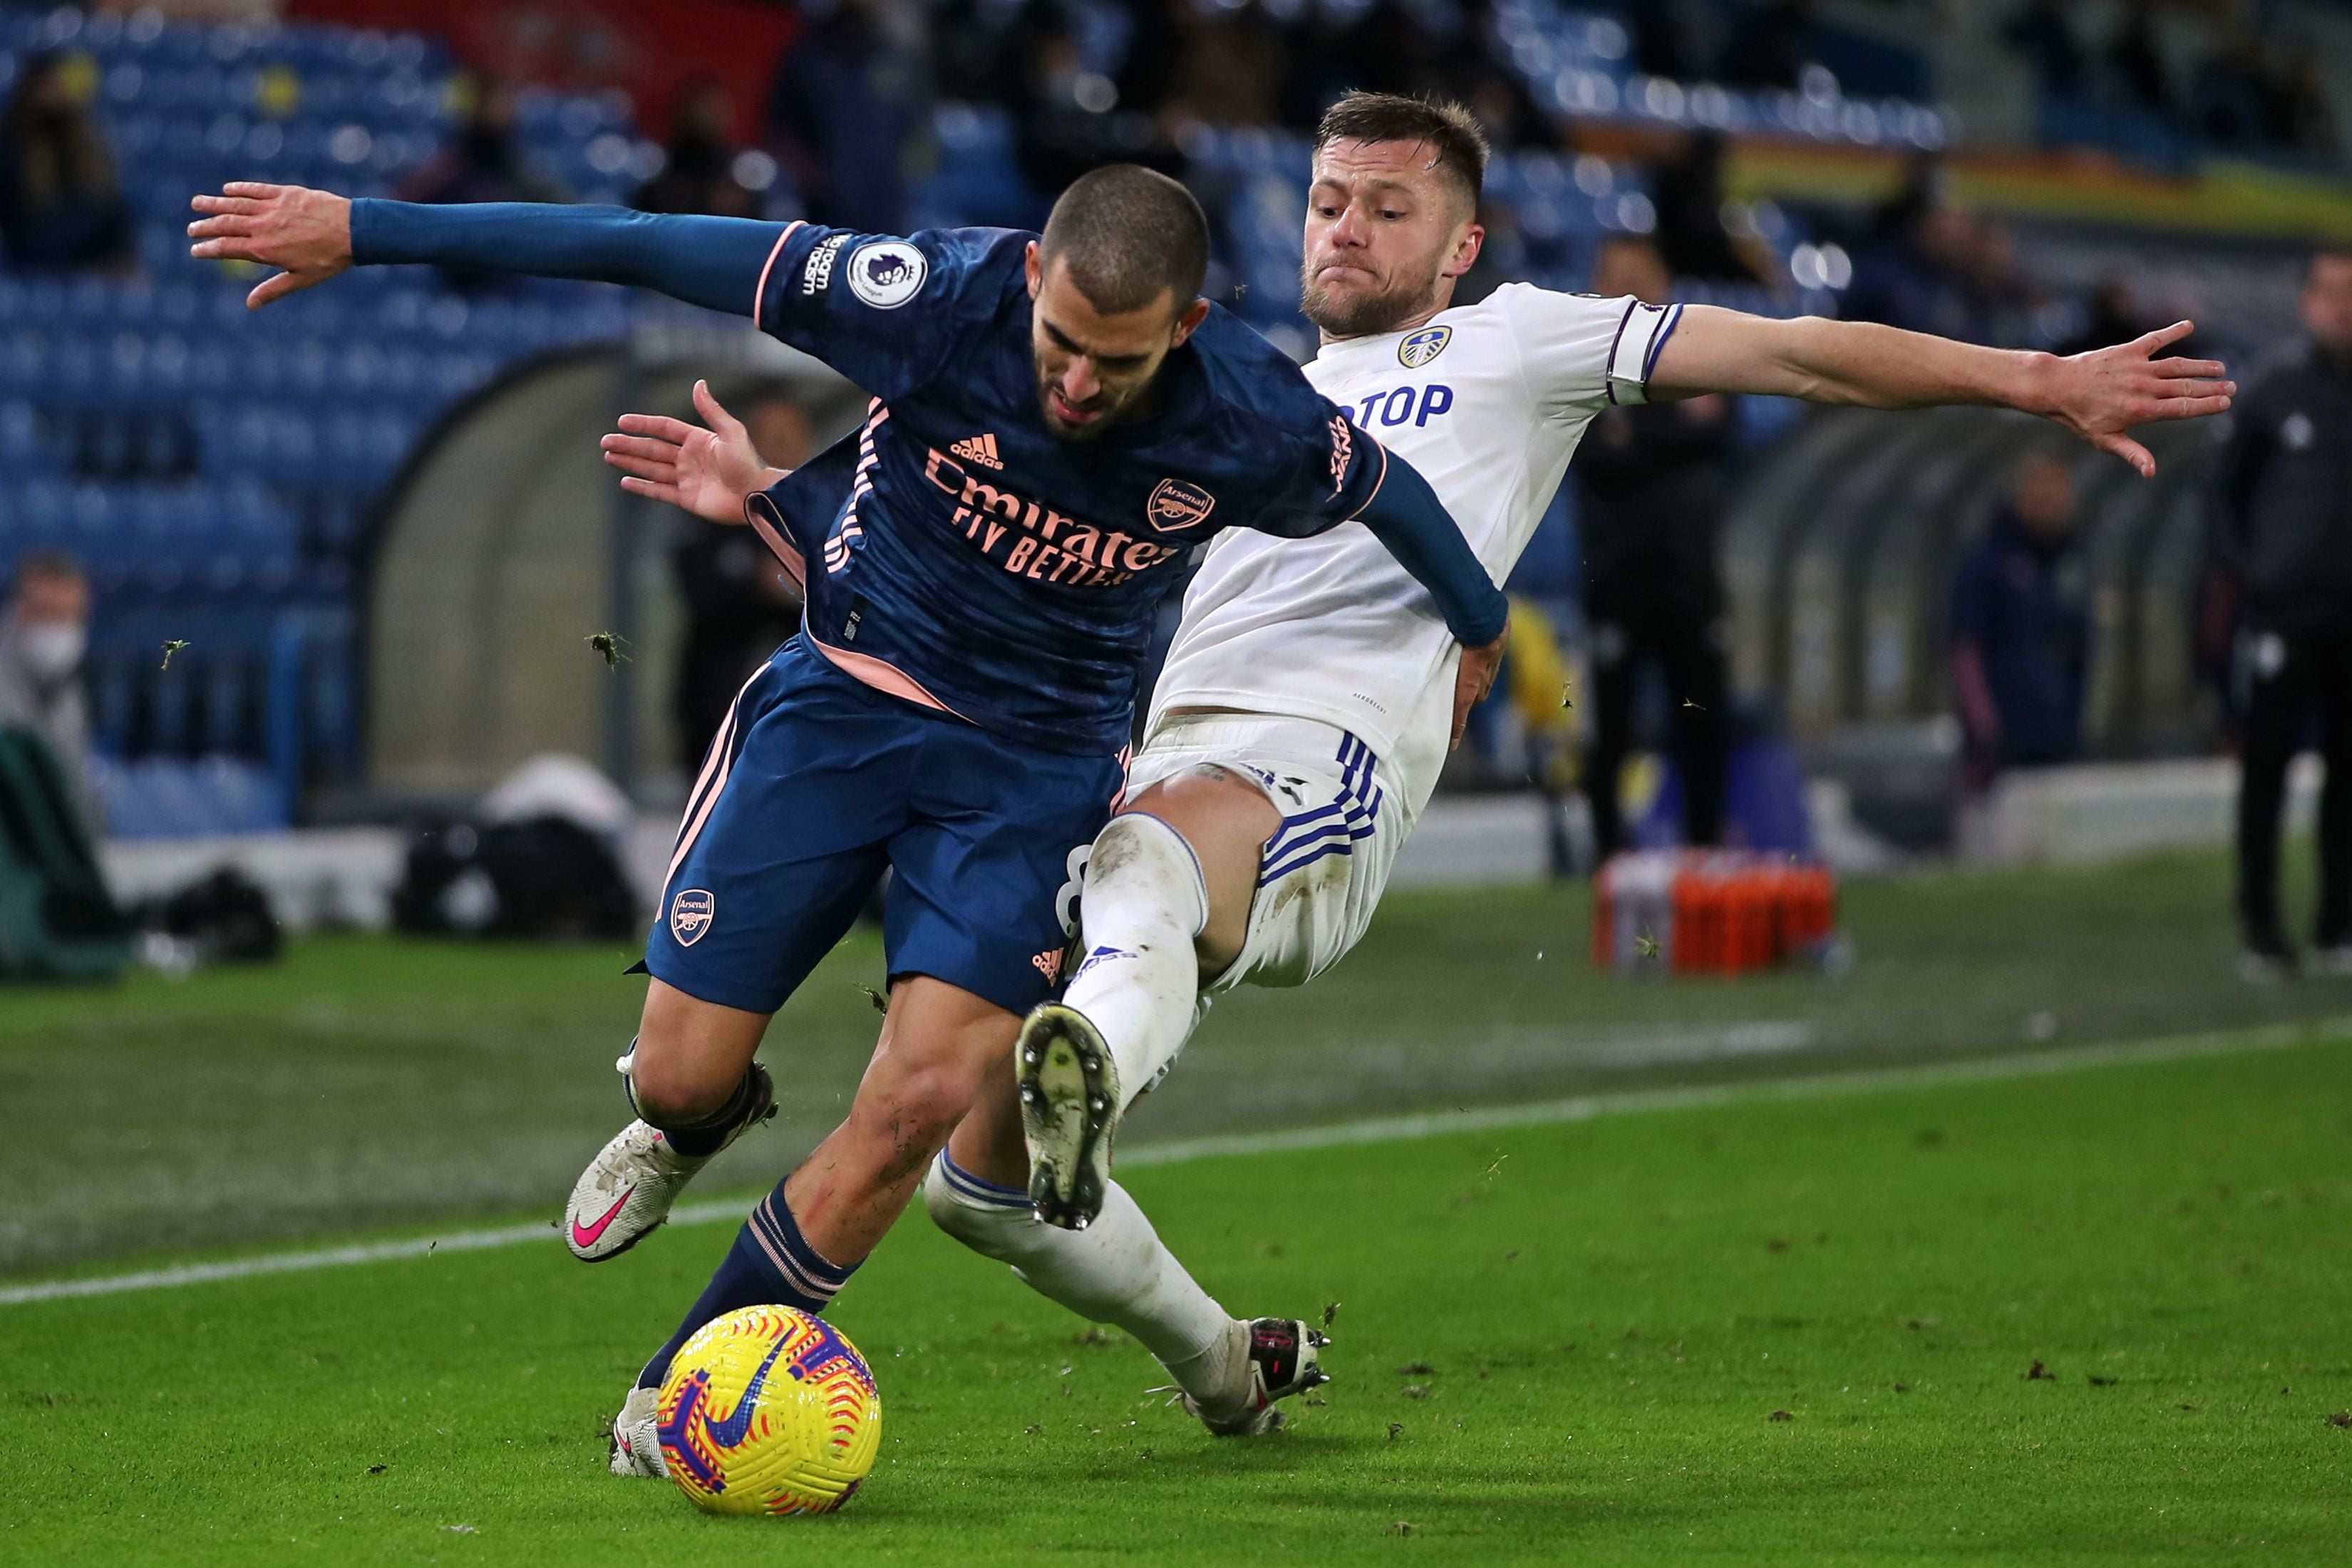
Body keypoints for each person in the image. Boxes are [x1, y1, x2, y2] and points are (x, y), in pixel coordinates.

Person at [895, 90, 2223, 1433]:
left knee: (1143, 867)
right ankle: (1225, 1360)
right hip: (1171, 759)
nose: (1345, 229)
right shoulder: (1247, 387)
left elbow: (1801, 353)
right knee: (974, 1186)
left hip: (1322, 769)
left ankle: (1098, 1057)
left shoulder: (1519, 340)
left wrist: (2035, 380)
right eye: (1328, 202)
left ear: (1460, 245)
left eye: (1388, 208)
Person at [185, 165, 1512, 1463]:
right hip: (840, 711)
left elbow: (1396, 496)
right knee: (680, 1070)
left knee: (921, 1098)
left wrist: (1480, 630)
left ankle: (680, 1396)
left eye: (1118, 363)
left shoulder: (1251, 417)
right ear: (1034, 279)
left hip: (1031, 778)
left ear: (1187, 330)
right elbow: (646, 240)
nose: (1076, 383)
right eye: (1059, 342)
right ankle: (688, 1124)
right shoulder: (930, 294)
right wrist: (367, 227)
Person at [2209, 249, 2352, 979]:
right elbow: (2223, 501)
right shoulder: (2272, 392)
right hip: (2282, 616)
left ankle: (2338, 926)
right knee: (2266, 773)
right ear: (2306, 300)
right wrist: (2256, 576)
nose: (2342, 305)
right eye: (2331, 291)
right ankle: (2262, 930)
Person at [1576, 234, 1735, 860]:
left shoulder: (1700, 351)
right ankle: (1607, 863)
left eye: (1638, 273)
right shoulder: (1579, 362)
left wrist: (1635, 432)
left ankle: (1706, 857)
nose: (1627, 287)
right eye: (1614, 274)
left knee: (1702, 719)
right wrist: (1673, 427)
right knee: (1610, 730)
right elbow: (1599, 453)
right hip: (1615, 580)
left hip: (1692, 579)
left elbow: (1720, 430)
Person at [669, 397, 808, 771]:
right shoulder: (716, 511)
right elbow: (701, 588)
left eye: (790, 436)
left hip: (800, 712)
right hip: (714, 705)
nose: (781, 446)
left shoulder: (822, 518)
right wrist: (761, 584)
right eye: (771, 436)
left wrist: (800, 584)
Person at [1949, 453, 2090, 789]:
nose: (2052, 504)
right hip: (2001, 744)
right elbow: (1965, 647)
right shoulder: (1987, 562)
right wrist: (1984, 728)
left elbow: (2081, 649)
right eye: (2042, 493)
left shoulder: (2070, 565)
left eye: (2059, 495)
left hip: (2058, 736)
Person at [0, 53, 133, 274]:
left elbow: (109, 210)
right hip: (26, 249)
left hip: (83, 253)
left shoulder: (86, 143)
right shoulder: (12, 144)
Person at [0, 551, 91, 798]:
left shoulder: (67, 689)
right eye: (47, 612)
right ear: (18, 609)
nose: (58, 627)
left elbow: (73, 783)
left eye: (69, 614)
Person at [633, 76, 760, 221]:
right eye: (701, 106)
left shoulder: (741, 180)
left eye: (714, 107)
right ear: (681, 111)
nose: (707, 115)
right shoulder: (656, 174)